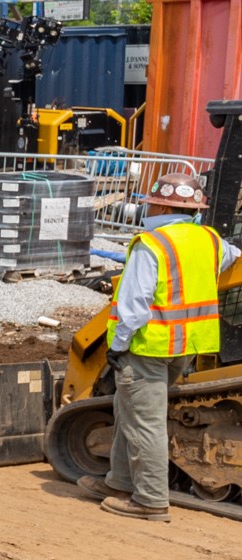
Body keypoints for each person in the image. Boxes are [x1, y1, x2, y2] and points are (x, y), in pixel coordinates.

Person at [78, 171, 239, 521]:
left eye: (152, 202)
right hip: (186, 349)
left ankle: (150, 500)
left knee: (145, 423)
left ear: (161, 203)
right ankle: (119, 481)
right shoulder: (209, 240)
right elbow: (231, 256)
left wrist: (117, 346)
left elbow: (134, 307)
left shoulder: (152, 244)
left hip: (148, 348)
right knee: (128, 413)